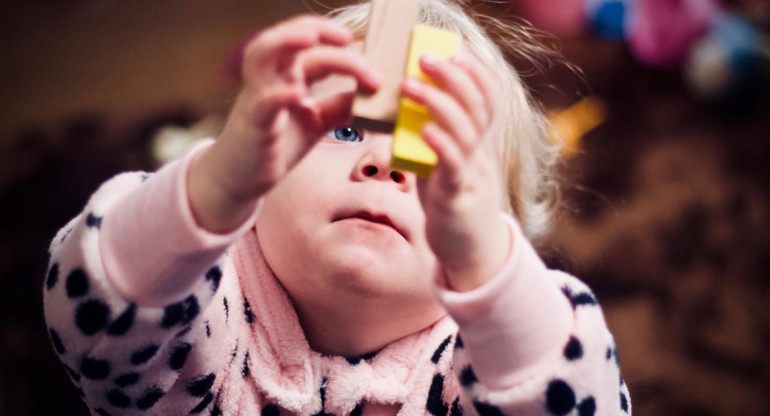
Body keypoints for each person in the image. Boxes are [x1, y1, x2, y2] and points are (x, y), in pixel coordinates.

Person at [43, 0, 631, 415]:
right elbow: (96, 312)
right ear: (260, 180)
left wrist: (490, 271)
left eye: (433, 154)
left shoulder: (478, 369)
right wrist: (217, 183)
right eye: (345, 131)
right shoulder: (203, 312)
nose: (385, 164)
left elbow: (573, 399)